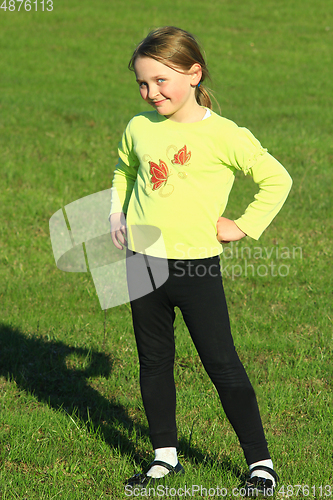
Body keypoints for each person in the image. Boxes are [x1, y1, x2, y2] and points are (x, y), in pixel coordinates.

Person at [109, 26, 292, 495]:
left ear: (194, 74)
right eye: (143, 84)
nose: (151, 93)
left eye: (160, 81)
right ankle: (164, 458)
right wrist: (117, 213)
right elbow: (125, 171)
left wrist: (243, 225)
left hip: (195, 267)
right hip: (141, 260)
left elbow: (277, 179)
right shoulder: (138, 127)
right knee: (153, 361)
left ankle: (260, 463)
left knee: (221, 363)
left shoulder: (224, 134)